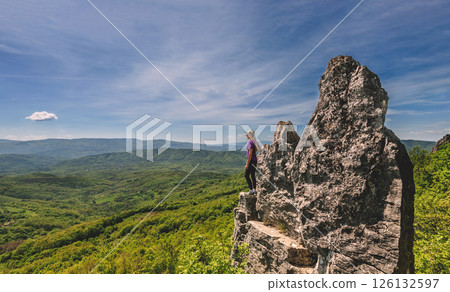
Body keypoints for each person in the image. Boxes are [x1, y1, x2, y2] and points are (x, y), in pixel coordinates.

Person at [245, 130, 259, 194]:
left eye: (247, 134)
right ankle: (255, 189)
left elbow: (250, 154)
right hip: (255, 160)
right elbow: (256, 149)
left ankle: (251, 190)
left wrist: (247, 164)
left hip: (251, 161)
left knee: (246, 175)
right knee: (253, 175)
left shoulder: (250, 142)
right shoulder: (254, 142)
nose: (246, 136)